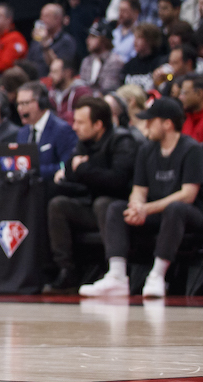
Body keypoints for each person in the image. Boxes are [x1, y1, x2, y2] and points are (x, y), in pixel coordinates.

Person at [80, 97, 203, 299]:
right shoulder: (146, 149)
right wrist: (136, 206)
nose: (146, 125)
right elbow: (139, 189)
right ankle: (116, 276)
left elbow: (188, 195)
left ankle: (157, 275)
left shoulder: (191, 149)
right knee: (116, 208)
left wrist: (147, 209)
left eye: (151, 121)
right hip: (157, 211)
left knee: (176, 208)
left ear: (167, 124)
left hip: (194, 214)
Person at [44, 97, 136, 294]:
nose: (74, 127)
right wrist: (89, 171)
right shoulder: (84, 142)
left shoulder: (122, 141)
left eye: (80, 122)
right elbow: (69, 171)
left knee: (104, 203)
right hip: (91, 206)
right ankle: (66, 270)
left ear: (98, 124)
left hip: (121, 209)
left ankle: (114, 271)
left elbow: (117, 181)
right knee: (58, 205)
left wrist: (85, 169)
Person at [16, 81, 77, 179]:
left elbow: (66, 165)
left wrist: (35, 171)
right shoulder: (22, 133)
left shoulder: (62, 130)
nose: (20, 108)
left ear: (41, 103)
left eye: (25, 103)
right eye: (18, 104)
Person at [79, 20, 125, 93]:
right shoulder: (87, 61)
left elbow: (109, 88)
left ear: (104, 39)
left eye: (93, 37)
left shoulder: (115, 61)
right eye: (89, 36)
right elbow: (82, 86)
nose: (88, 40)